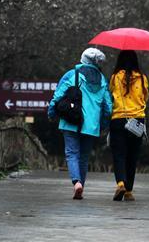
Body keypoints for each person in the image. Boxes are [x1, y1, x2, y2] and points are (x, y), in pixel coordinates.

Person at [47, 47, 112, 200]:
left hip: (70, 121)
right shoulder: (102, 81)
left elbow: (58, 96)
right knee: (83, 156)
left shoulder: (71, 74)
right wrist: (102, 124)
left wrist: (51, 113)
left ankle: (76, 183)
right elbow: (108, 107)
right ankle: (81, 184)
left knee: (72, 153)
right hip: (91, 126)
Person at [108, 50, 149, 201]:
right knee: (132, 156)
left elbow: (111, 94)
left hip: (119, 118)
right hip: (137, 120)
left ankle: (120, 183)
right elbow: (145, 97)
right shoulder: (142, 78)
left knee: (119, 155)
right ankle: (129, 191)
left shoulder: (115, 78)